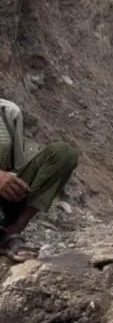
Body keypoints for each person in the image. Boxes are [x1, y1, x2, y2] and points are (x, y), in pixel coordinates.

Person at [0, 101, 77, 262]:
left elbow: (15, 168)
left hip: (4, 201)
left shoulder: (8, 112)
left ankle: (10, 233)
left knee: (63, 154)